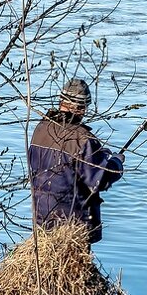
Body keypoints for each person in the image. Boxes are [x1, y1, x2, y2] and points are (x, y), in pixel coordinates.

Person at [27, 78, 124, 244]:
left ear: (60, 102)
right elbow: (99, 180)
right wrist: (116, 163)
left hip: (42, 220)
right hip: (73, 226)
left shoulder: (40, 129)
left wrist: (98, 154)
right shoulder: (83, 139)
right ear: (81, 108)